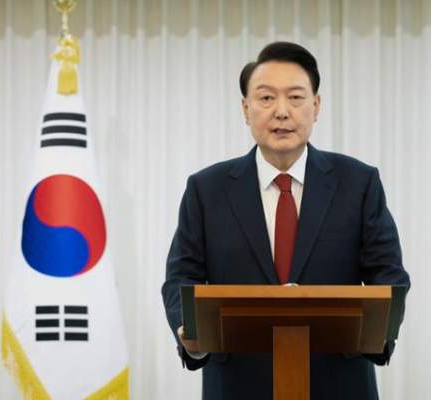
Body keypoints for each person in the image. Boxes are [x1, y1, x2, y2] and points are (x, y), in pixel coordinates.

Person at [162, 41, 410, 400]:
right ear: (246, 109)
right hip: (237, 385)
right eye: (266, 98)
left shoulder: (358, 183)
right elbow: (181, 276)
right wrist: (189, 330)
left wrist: (377, 332)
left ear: (316, 106)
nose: (281, 112)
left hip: (339, 383)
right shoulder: (207, 189)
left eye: (295, 97)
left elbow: (388, 274)